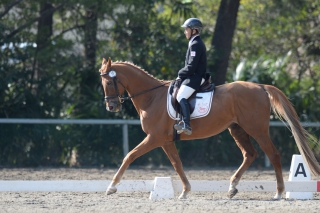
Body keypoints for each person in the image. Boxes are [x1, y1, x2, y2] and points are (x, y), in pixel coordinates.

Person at [174, 18, 207, 135]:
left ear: (194, 31)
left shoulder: (196, 44)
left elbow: (191, 67)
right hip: (193, 76)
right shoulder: (194, 42)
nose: (185, 32)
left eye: (186, 29)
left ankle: (186, 123)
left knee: (181, 95)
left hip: (195, 77)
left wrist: (180, 74)